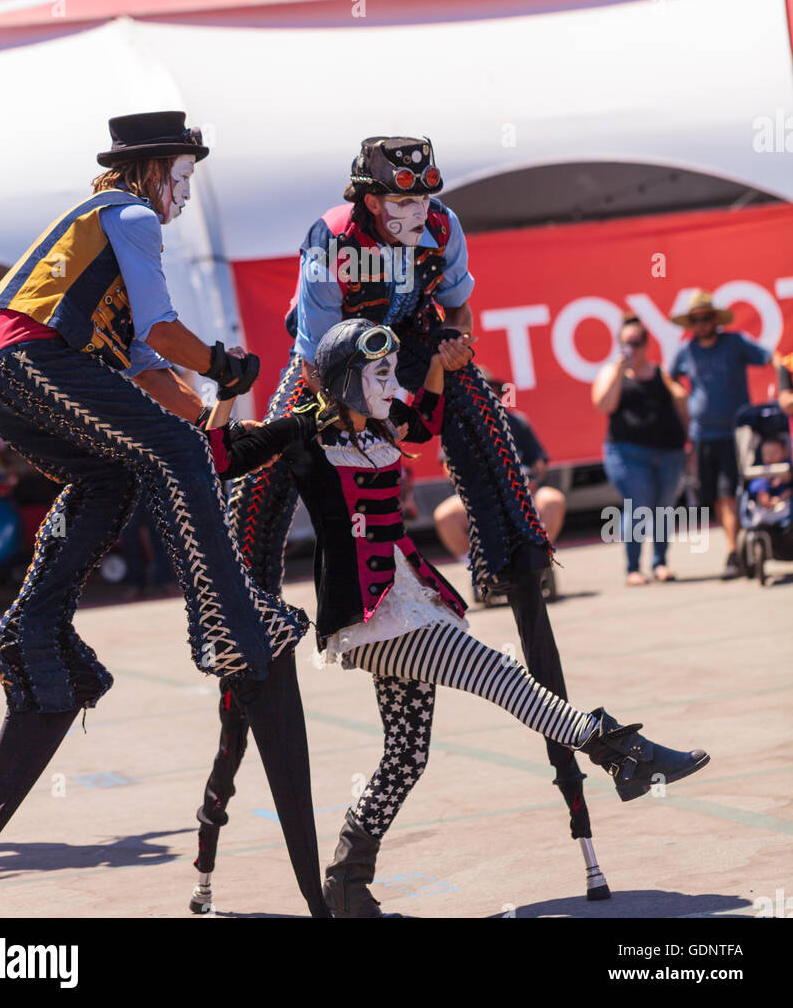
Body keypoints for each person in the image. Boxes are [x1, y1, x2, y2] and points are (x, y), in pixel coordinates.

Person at [0, 111, 328, 920]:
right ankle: (221, 621)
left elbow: (152, 373)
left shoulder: (101, 242)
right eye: (181, 175)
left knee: (118, 477)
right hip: (21, 356)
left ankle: (37, 626)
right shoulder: (132, 216)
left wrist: (219, 414)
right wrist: (225, 363)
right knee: (172, 460)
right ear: (153, 171)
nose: (185, 193)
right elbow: (162, 331)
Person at [199, 319, 710, 918]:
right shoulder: (303, 432)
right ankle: (624, 753)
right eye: (379, 374)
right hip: (369, 617)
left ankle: (346, 878)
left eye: (392, 372)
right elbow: (221, 457)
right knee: (500, 673)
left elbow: (428, 421)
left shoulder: (386, 426)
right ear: (343, 380)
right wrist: (227, 389)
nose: (391, 384)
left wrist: (439, 365)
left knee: (407, 752)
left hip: (412, 599)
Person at [202, 136, 600, 902]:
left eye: (425, 199)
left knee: (486, 431)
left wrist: (452, 352)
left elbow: (456, 308)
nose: (417, 213)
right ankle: (234, 619)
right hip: (333, 366)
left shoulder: (443, 228)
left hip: (407, 356)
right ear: (368, 200)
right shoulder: (331, 238)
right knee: (249, 509)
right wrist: (334, 414)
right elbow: (317, 344)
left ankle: (514, 554)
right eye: (402, 202)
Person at [668, 290, 780, 580]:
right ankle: (736, 545)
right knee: (715, 497)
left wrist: (785, 380)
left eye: (706, 318)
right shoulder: (687, 351)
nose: (702, 324)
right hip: (703, 434)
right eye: (697, 320)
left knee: (730, 491)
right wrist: (679, 394)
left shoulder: (734, 343)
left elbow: (771, 358)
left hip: (736, 433)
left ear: (715, 319)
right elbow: (669, 377)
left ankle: (735, 550)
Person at [434, 370, 565, 598]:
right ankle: (474, 565)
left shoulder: (516, 421)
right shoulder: (456, 425)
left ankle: (543, 557)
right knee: (445, 515)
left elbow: (539, 463)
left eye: (489, 389)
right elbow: (448, 467)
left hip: (522, 494)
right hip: (478, 497)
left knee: (553, 500)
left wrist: (529, 482)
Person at [593, 314, 689, 585]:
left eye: (636, 342)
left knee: (664, 507)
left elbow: (681, 402)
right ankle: (633, 567)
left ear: (647, 343)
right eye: (626, 343)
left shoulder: (662, 372)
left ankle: (660, 563)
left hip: (669, 451)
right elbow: (604, 405)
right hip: (628, 453)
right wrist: (619, 372)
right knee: (638, 505)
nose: (631, 349)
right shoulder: (612, 373)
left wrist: (687, 442)